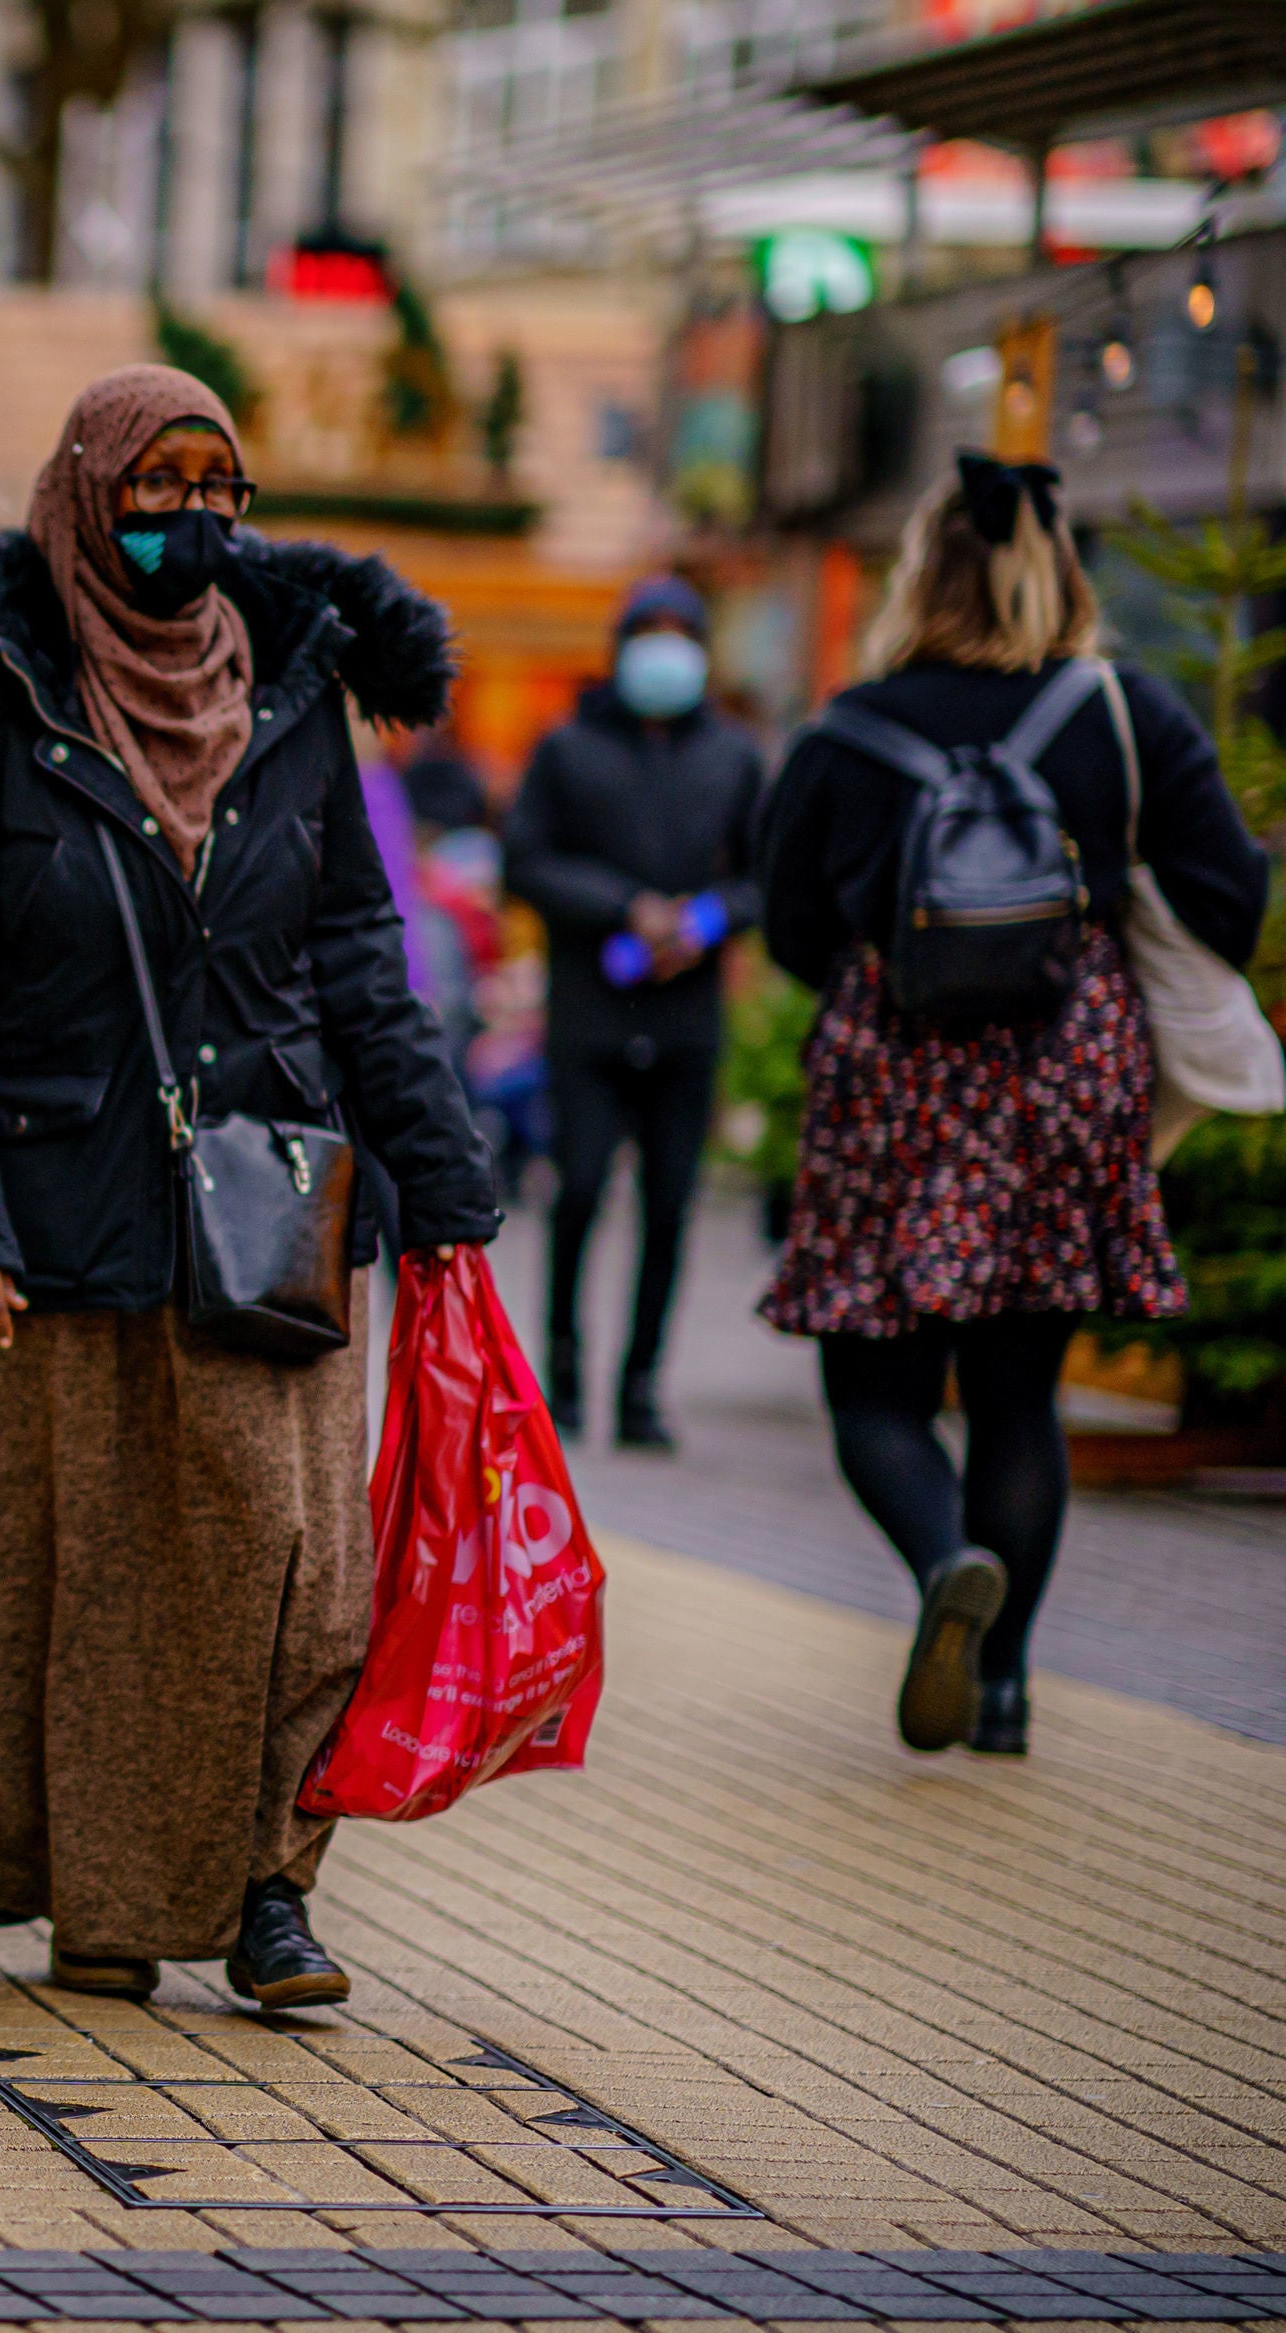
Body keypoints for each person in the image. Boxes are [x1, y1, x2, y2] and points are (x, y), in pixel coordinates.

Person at [0, 365, 497, 2007]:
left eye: (222, 488)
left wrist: (445, 1179)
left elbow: (359, 954)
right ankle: (110, 1899)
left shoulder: (295, 694)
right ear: (87, 496)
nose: (192, 523)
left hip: (274, 1206)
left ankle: (273, 1892)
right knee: (101, 1590)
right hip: (57, 1215)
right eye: (156, 490)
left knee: (297, 1574)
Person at [757, 456, 1268, 1760]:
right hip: (1062, 1071)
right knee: (1017, 1390)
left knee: (871, 1388)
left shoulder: (847, 725)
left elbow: (793, 924)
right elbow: (1227, 888)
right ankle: (1003, 1688)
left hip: (896, 1079)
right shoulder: (1121, 710)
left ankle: (942, 1565)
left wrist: (895, 977)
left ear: (921, 573)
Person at [502, 574, 767, 1450]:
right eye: (647, 630)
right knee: (576, 1189)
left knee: (670, 1204)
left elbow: (764, 876)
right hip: (591, 1015)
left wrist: (710, 919)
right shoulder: (566, 747)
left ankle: (642, 1383)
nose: (664, 647)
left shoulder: (733, 755)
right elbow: (527, 862)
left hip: (688, 1018)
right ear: (620, 647)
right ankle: (565, 1375)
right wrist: (624, 907)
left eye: (679, 631)